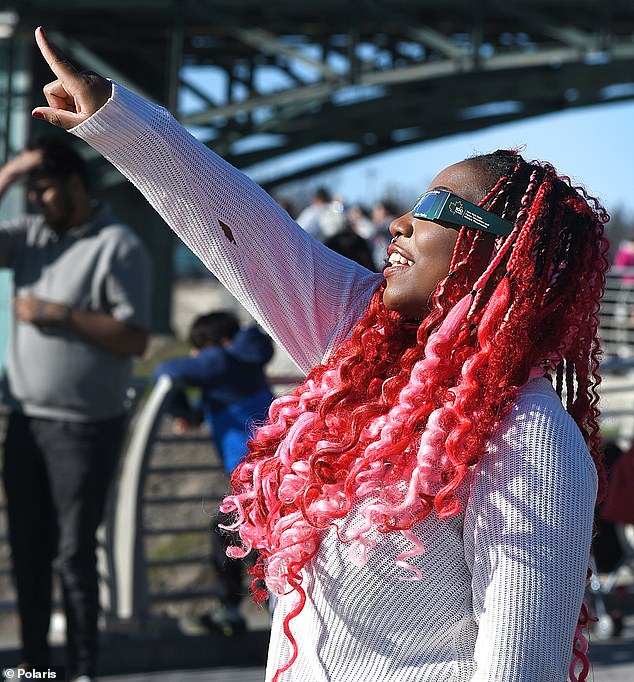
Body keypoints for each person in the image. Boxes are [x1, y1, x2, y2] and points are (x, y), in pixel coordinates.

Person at [33, 26, 608, 682]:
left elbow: (520, 670)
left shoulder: (530, 437)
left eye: (435, 207)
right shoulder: (364, 351)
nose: (400, 221)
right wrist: (119, 118)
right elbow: (251, 235)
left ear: (500, 254)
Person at [0, 134, 152, 681]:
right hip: (25, 421)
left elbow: (134, 338)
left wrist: (54, 313)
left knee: (72, 553)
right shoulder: (30, 237)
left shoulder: (120, 246)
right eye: (31, 191)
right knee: (28, 553)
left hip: (86, 429)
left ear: (74, 186)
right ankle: (35, 667)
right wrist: (13, 171)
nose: (37, 201)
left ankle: (85, 669)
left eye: (45, 189)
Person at [154, 310, 275, 635]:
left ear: (219, 344)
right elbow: (225, 403)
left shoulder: (221, 360)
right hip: (271, 473)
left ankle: (241, 611)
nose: (196, 357)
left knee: (238, 538)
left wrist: (175, 403)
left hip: (257, 477)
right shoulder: (240, 365)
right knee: (239, 536)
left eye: (198, 349)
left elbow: (167, 370)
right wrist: (191, 415)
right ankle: (235, 609)